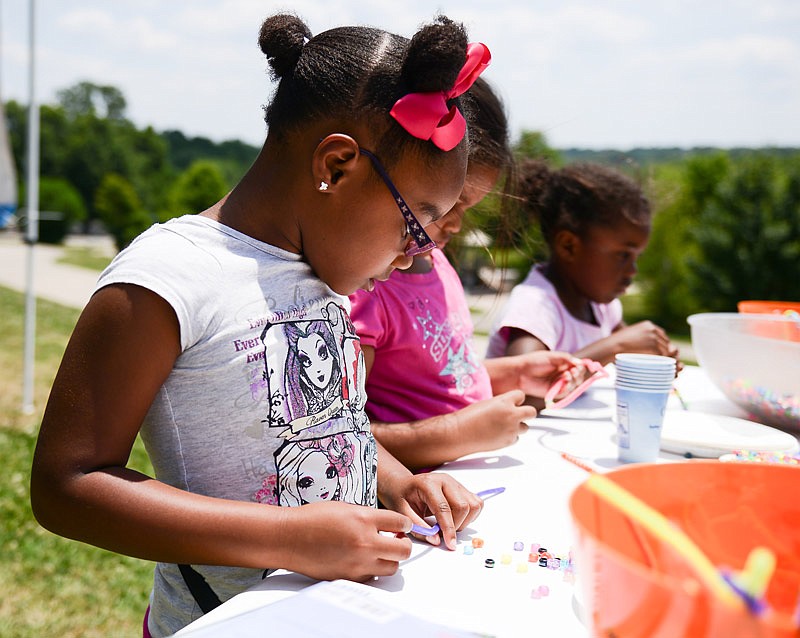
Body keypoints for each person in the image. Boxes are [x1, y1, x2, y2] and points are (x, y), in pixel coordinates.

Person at [30, 13, 491, 638]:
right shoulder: (170, 278)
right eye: (417, 223)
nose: (420, 253)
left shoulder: (321, 271)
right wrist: (290, 540)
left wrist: (400, 482)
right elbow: (68, 485)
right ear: (335, 166)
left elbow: (326, 427)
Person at [348, 78, 582, 471]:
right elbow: (343, 434)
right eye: (450, 202)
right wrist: (461, 432)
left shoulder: (436, 262)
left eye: (468, 206)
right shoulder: (368, 286)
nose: (455, 224)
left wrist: (512, 374)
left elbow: (432, 378)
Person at [486, 159, 680, 368]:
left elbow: (628, 349)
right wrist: (617, 345)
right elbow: (522, 386)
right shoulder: (536, 305)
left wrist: (653, 359)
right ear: (569, 246)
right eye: (623, 255)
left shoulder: (601, 307)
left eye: (636, 257)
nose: (633, 271)